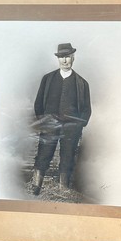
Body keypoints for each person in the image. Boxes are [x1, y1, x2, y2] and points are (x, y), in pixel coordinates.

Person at [31, 43, 91, 195]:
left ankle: (62, 189)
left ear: (73, 58)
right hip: (50, 124)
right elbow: (38, 103)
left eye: (68, 57)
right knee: (44, 153)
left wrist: (78, 125)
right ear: (58, 59)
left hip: (71, 128)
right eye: (61, 57)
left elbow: (86, 110)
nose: (65, 61)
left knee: (68, 156)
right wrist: (43, 121)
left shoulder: (82, 84)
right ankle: (35, 187)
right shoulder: (48, 79)